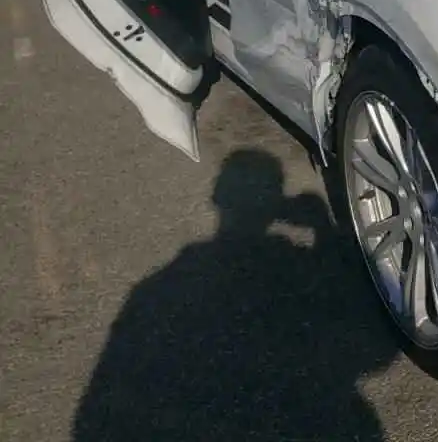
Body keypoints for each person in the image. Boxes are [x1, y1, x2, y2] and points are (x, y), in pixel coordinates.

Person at [72, 148, 396, 442]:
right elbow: (362, 322)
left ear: (216, 197)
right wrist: (322, 225)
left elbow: (98, 407)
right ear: (277, 207)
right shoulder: (288, 267)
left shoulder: (157, 290)